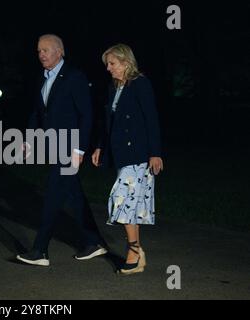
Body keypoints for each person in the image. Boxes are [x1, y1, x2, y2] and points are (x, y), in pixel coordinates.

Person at [16, 34, 108, 267]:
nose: (41, 55)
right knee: (74, 196)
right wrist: (28, 140)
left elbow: (86, 114)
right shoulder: (42, 78)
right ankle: (93, 242)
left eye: (46, 50)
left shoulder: (74, 77)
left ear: (60, 52)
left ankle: (39, 250)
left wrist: (79, 150)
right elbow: (38, 112)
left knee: (53, 195)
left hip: (69, 146)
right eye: (38, 51)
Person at [92, 44, 163, 274]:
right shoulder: (114, 87)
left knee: (120, 201)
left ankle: (134, 250)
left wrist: (155, 152)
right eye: (107, 64)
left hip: (139, 154)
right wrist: (100, 148)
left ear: (125, 62)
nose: (108, 68)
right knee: (130, 206)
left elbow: (151, 118)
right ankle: (136, 252)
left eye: (112, 63)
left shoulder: (140, 83)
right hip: (121, 154)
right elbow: (108, 123)